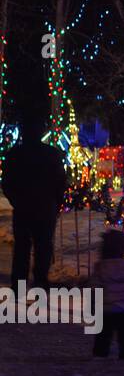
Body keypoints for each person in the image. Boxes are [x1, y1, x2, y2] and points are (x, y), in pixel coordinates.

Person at [1, 115, 68, 289]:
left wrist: (16, 201)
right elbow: (61, 182)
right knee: (43, 246)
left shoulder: (14, 155)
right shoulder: (52, 154)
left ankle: (19, 284)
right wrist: (56, 203)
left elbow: (7, 182)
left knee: (22, 248)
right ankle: (40, 281)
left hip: (24, 208)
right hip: (45, 208)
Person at [92, 229, 124, 359]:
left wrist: (93, 304)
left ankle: (100, 352)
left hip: (107, 306)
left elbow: (95, 287)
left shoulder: (101, 267)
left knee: (104, 332)